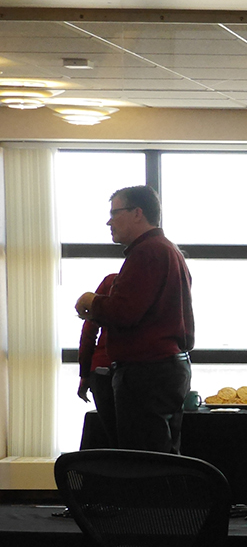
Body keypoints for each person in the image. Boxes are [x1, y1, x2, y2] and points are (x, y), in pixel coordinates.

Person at [73, 185, 194, 453]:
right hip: (170, 367)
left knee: (142, 463)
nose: (109, 221)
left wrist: (92, 301)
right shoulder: (169, 250)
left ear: (137, 213)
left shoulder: (146, 252)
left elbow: (124, 312)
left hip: (146, 373)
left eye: (115, 213)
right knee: (163, 457)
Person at [77, 272, 118, 448]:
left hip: (102, 370)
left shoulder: (110, 281)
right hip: (138, 370)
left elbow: (89, 333)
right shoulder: (152, 283)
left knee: (112, 435)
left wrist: (85, 375)